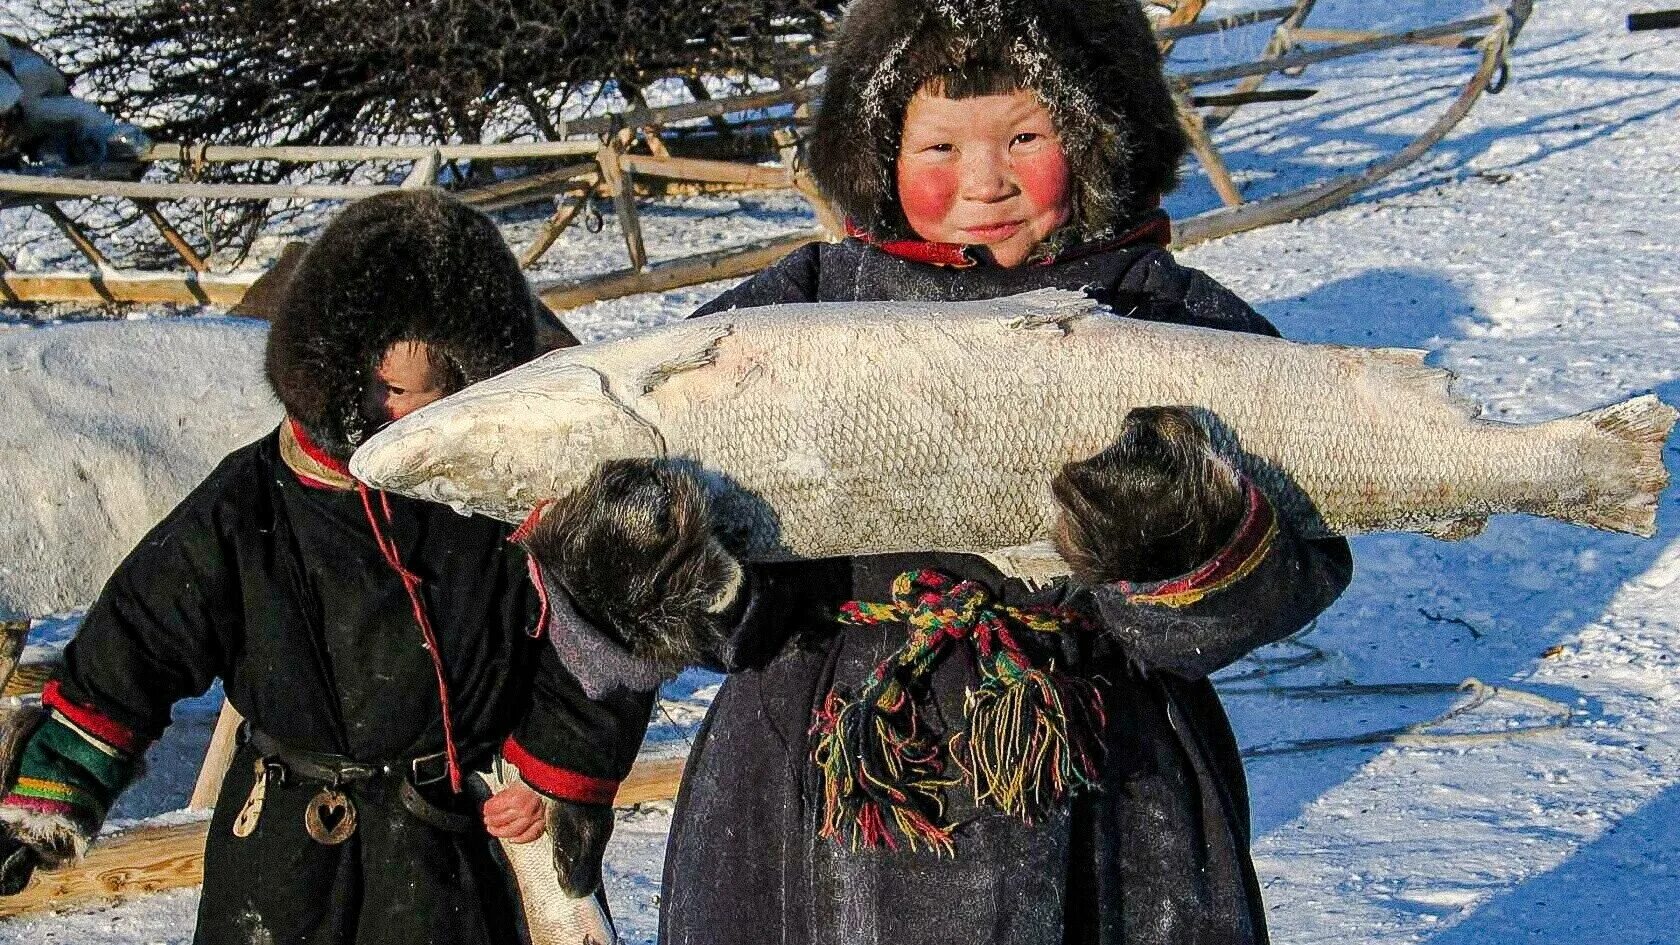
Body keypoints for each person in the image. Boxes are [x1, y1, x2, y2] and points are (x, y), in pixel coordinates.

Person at [521, 2, 1356, 944]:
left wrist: (1179, 546)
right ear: (877, 153)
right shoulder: (797, 311)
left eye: (1026, 135)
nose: (984, 181)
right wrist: (650, 585)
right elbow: (651, 496)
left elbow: (1299, 548)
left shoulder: (1159, 317)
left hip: (1104, 778)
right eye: (940, 148)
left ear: (1097, 136)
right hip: (813, 770)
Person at [0, 190, 649, 944]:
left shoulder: (506, 497)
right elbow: (140, 634)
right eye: (378, 388)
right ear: (328, 365)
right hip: (281, 855)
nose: (391, 412)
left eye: (422, 394)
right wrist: (51, 787)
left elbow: (593, 642)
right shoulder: (254, 501)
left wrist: (550, 770)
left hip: (451, 854)